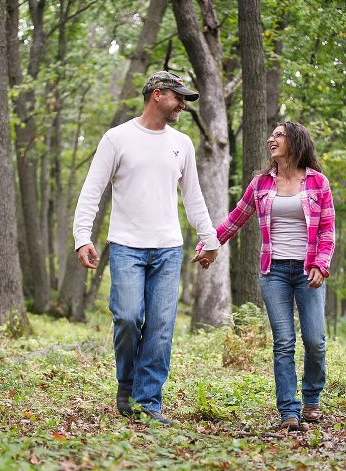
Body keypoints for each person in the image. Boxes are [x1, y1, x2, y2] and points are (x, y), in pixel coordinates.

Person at [73, 71, 219, 425]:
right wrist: (82, 236)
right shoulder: (117, 138)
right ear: (157, 94)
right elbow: (92, 191)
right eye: (178, 97)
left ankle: (148, 401)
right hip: (126, 246)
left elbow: (194, 197)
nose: (183, 104)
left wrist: (210, 239)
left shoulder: (182, 143)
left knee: (160, 326)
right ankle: (127, 383)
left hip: (168, 249)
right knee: (126, 317)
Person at [193, 121, 335, 431]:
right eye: (271, 135)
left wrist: (321, 265)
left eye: (279, 135)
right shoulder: (261, 184)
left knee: (315, 341)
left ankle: (311, 398)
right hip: (274, 273)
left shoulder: (318, 183)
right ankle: (289, 411)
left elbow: (327, 229)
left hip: (307, 269)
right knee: (283, 342)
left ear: (295, 142)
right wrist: (208, 244)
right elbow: (235, 219)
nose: (272, 139)